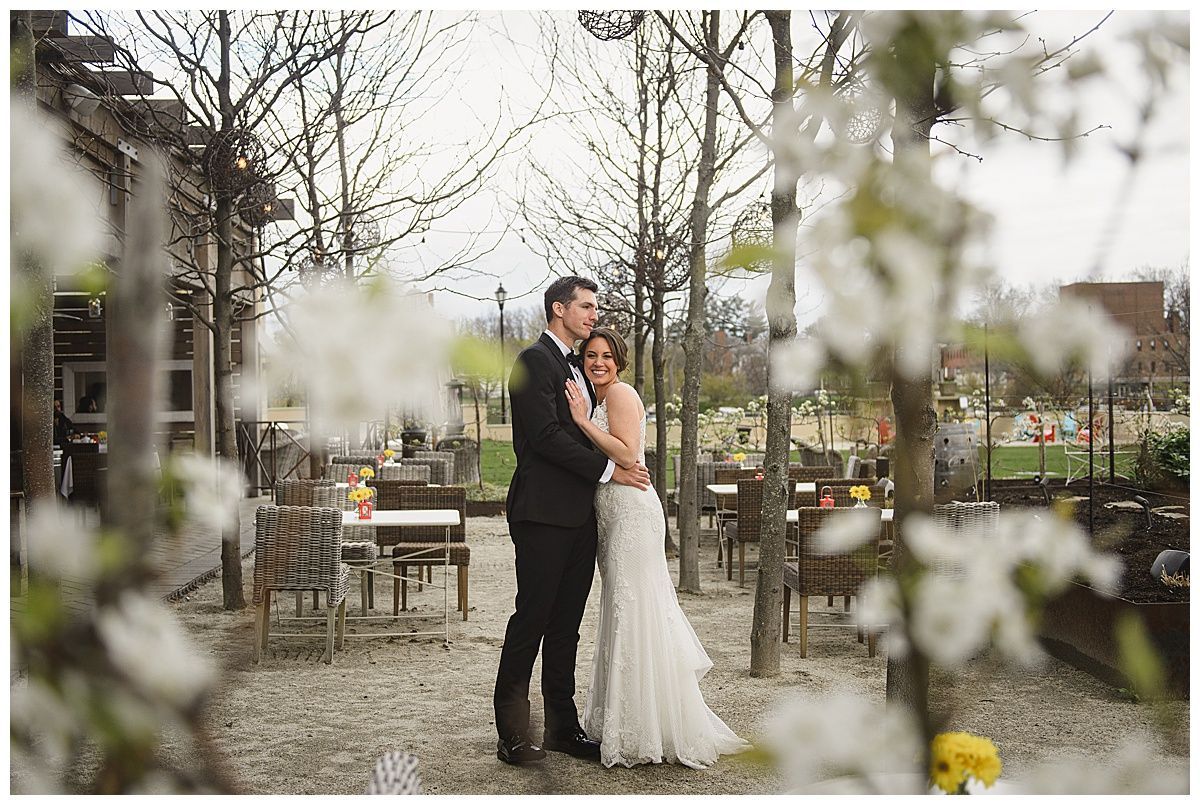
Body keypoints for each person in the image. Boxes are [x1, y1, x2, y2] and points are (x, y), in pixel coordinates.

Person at [566, 327, 751, 769]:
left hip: (631, 513)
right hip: (613, 513)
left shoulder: (620, 395)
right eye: (591, 355)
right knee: (621, 608)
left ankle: (646, 725)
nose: (599, 363)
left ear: (621, 361)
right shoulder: (599, 396)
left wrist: (581, 422)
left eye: (607, 356)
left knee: (636, 609)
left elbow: (629, 455)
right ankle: (625, 718)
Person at [493, 277, 652, 765]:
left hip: (583, 515)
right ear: (558, 309)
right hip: (541, 513)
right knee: (532, 620)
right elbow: (542, 436)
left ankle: (563, 727)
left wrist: (611, 465)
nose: (592, 313)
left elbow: (588, 433)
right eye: (585, 306)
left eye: (594, 306)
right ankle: (513, 736)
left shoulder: (584, 371)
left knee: (566, 627)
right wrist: (612, 470)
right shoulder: (533, 362)